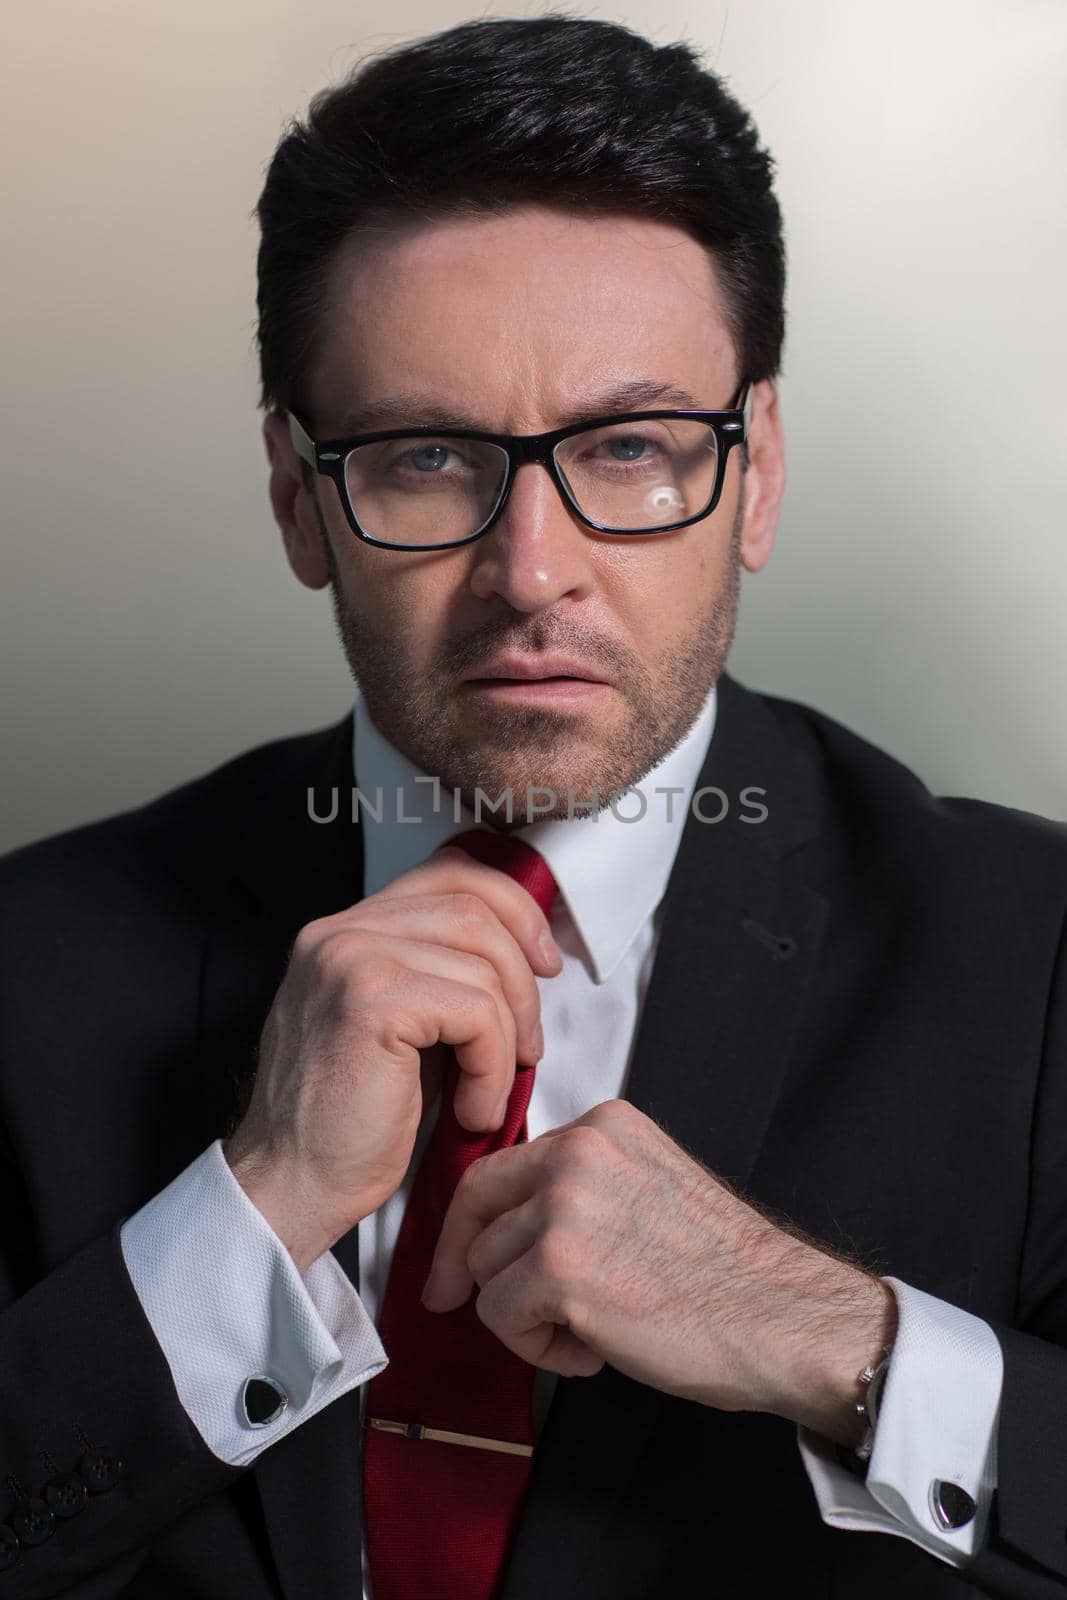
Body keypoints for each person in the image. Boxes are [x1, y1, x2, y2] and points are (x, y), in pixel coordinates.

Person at [1, 12, 1064, 1598]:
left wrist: (837, 1337)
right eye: (428, 459)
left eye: (633, 448)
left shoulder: (1042, 958)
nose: (534, 571)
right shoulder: (31, 961)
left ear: (756, 472)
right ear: (301, 499)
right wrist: (248, 1214)